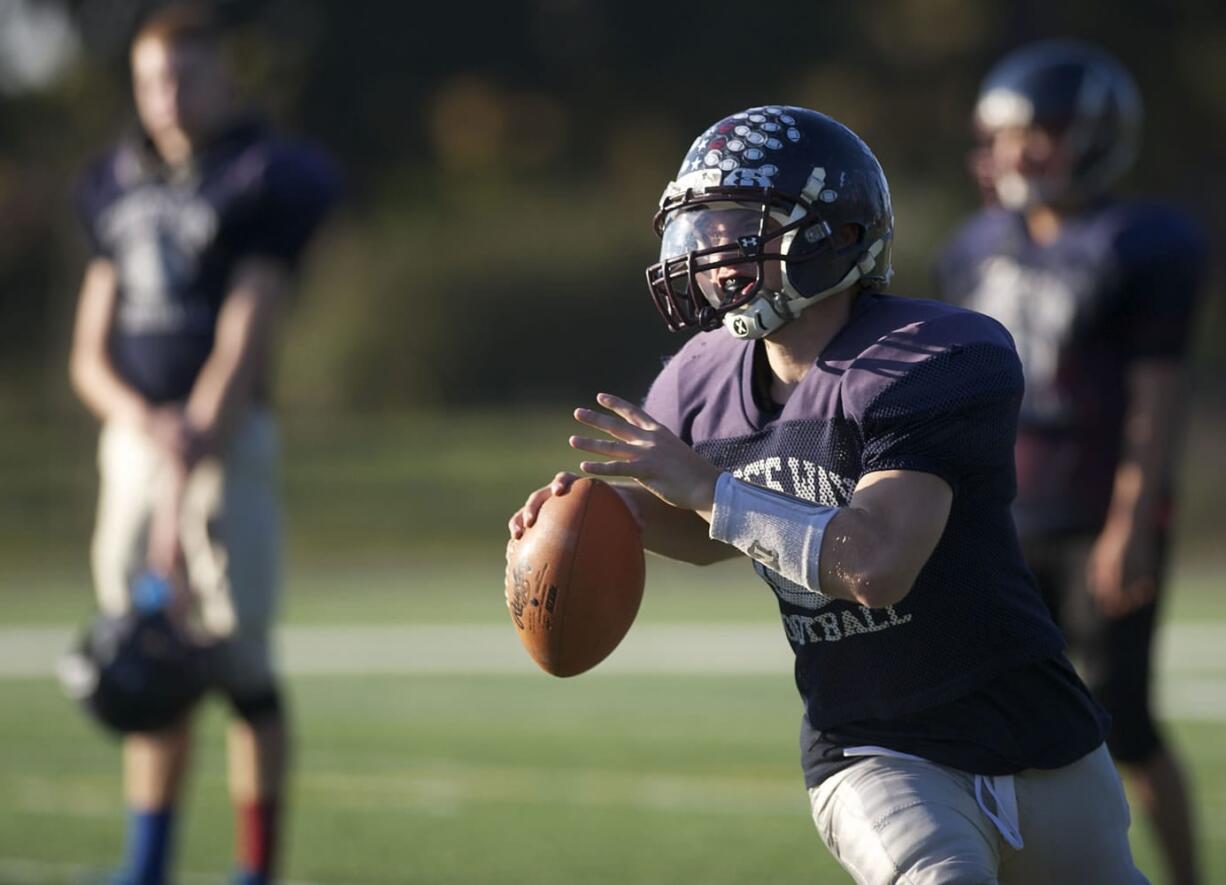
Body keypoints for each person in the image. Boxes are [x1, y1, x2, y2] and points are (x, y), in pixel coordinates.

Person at [508, 105, 1148, 883]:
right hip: (874, 747)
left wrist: (707, 486)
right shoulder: (700, 377)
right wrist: (597, 519)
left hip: (1041, 736)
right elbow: (712, 531)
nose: (712, 252)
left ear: (837, 235)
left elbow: (876, 565)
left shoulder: (934, 356)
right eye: (701, 228)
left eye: (741, 223)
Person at [68, 5, 337, 883]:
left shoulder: (259, 176)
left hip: (223, 440)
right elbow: (88, 352)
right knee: (147, 657)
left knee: (238, 659)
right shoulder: (116, 183)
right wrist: (145, 424)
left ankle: (255, 868)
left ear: (224, 81)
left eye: (187, 77)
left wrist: (190, 443)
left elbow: (243, 334)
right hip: (137, 442)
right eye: (153, 80)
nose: (170, 96)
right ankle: (145, 864)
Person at [935, 40, 1205, 885]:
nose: (1021, 151)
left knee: (1124, 722)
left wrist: (1131, 520)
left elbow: (1156, 398)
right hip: (1001, 513)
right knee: (1001, 719)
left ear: (1094, 135)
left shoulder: (1141, 242)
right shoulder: (972, 246)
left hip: (1096, 513)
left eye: (1043, 130)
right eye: (1007, 133)